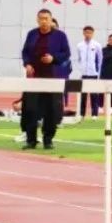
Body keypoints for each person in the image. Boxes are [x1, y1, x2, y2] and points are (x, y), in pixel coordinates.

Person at [21, 8, 71, 149]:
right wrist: (27, 64)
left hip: (53, 78)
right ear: (37, 20)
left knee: (52, 110)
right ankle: (31, 140)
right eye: (41, 18)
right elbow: (25, 52)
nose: (43, 21)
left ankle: (48, 140)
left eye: (46, 19)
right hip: (34, 78)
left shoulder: (60, 36)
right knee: (30, 109)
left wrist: (53, 58)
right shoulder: (32, 34)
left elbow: (66, 53)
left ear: (51, 20)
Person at [74, 25, 103, 121]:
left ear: (93, 34)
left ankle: (94, 114)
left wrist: (98, 72)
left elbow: (100, 60)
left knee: (94, 95)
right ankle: (82, 114)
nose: (88, 34)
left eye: (90, 33)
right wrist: (80, 70)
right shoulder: (79, 45)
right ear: (83, 33)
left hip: (93, 73)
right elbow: (79, 59)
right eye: (86, 32)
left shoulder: (97, 45)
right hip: (83, 74)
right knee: (83, 95)